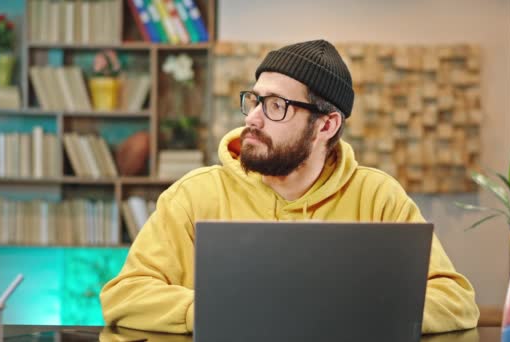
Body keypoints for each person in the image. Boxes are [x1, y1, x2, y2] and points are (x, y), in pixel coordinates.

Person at [100, 39, 480, 334]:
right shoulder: (195, 194)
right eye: (254, 100)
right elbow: (125, 295)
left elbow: (456, 301)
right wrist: (218, 311)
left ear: (326, 126)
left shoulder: (379, 197)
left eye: (276, 105)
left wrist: (343, 312)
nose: (253, 117)